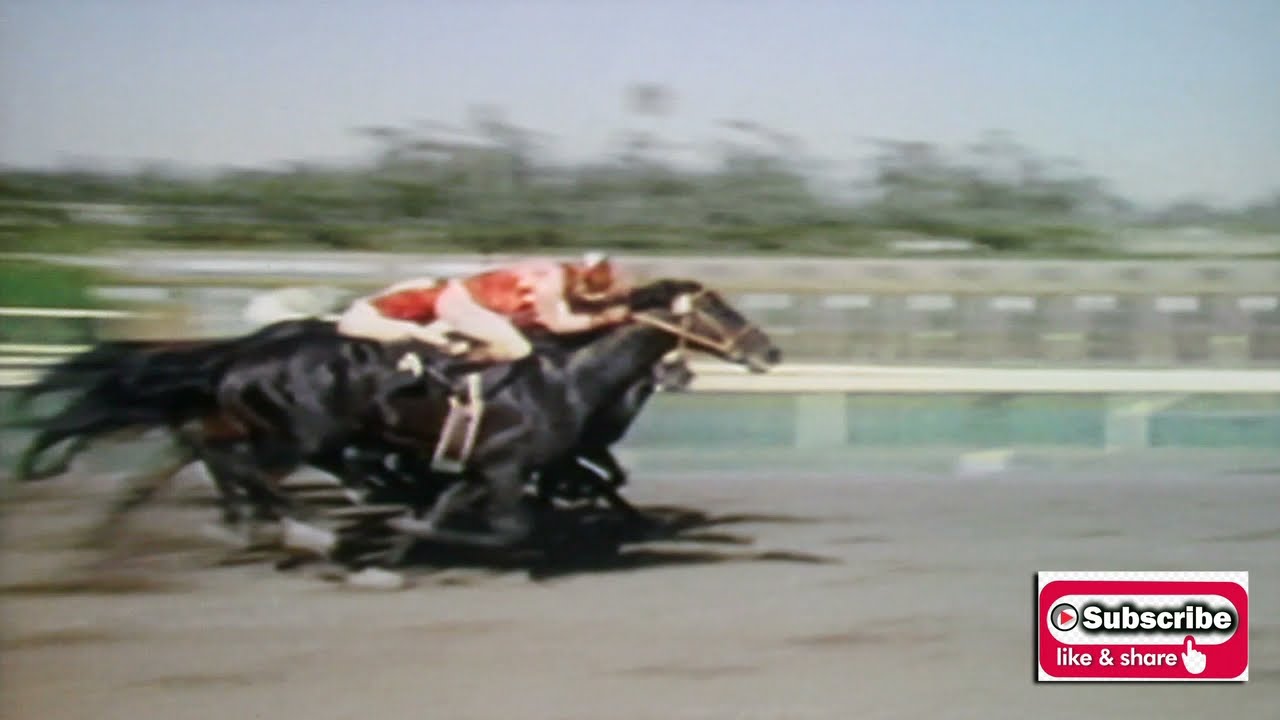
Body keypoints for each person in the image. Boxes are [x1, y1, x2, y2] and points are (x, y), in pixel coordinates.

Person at [336, 252, 632, 363]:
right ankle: (459, 367)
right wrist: (603, 319)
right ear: (582, 278)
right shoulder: (550, 284)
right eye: (594, 288)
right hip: (463, 304)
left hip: (474, 301)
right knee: (518, 349)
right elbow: (558, 324)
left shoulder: (559, 271)